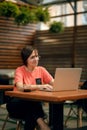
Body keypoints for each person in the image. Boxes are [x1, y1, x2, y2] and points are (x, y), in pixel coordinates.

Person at [6, 45, 54, 130]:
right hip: (16, 104)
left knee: (31, 113)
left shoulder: (41, 70)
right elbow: (20, 87)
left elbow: (54, 83)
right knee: (31, 104)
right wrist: (40, 86)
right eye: (32, 57)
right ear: (26, 60)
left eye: (37, 56)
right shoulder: (19, 70)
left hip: (32, 106)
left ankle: (42, 124)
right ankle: (43, 124)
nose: (36, 59)